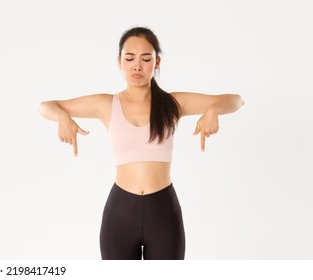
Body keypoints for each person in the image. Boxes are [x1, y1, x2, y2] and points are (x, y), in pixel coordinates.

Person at [38, 27, 244, 260]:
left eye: (146, 58)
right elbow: (46, 106)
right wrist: (62, 117)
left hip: (163, 212)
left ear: (157, 62)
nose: (137, 65)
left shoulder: (173, 103)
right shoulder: (106, 104)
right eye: (129, 58)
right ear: (119, 62)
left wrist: (214, 109)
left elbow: (236, 100)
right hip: (120, 213)